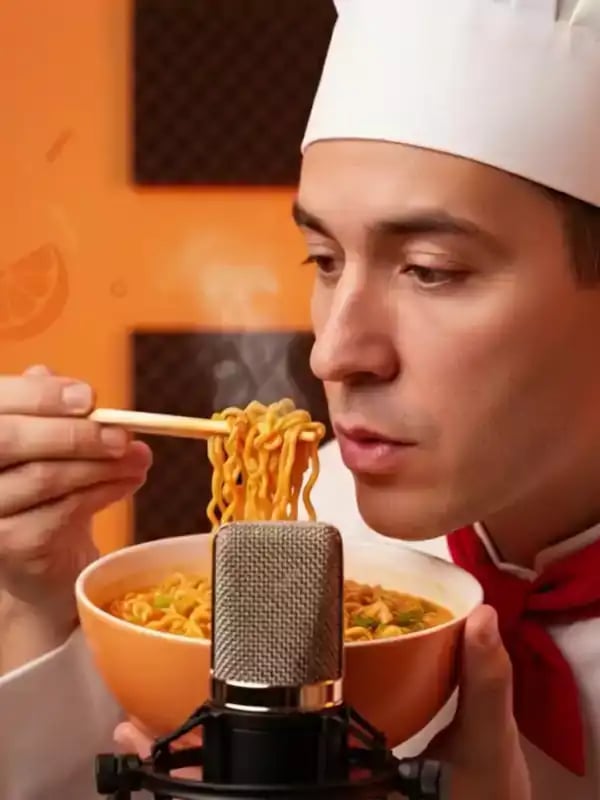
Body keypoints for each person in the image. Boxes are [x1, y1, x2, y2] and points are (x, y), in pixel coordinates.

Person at [1, 0, 599, 797]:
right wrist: (42, 604)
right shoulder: (296, 558)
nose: (334, 353)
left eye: (429, 270)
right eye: (323, 259)